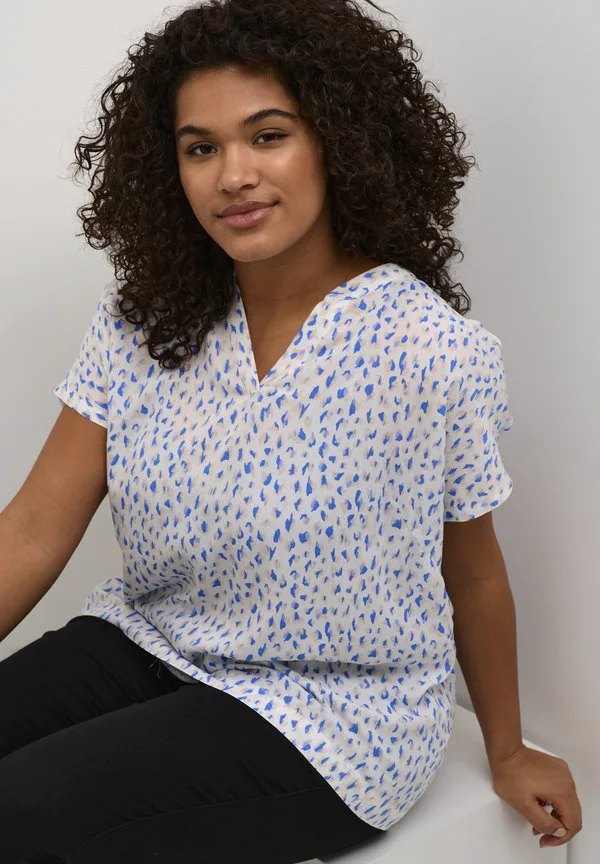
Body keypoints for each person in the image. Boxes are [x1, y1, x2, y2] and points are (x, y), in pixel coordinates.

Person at [0, 0, 582, 861]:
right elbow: (31, 528)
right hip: (150, 639)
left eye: (268, 136)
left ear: (338, 143)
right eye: (201, 148)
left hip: (330, 714)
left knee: (18, 811)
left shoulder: (430, 350)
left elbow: (473, 568)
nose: (233, 175)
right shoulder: (144, 321)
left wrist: (507, 748)